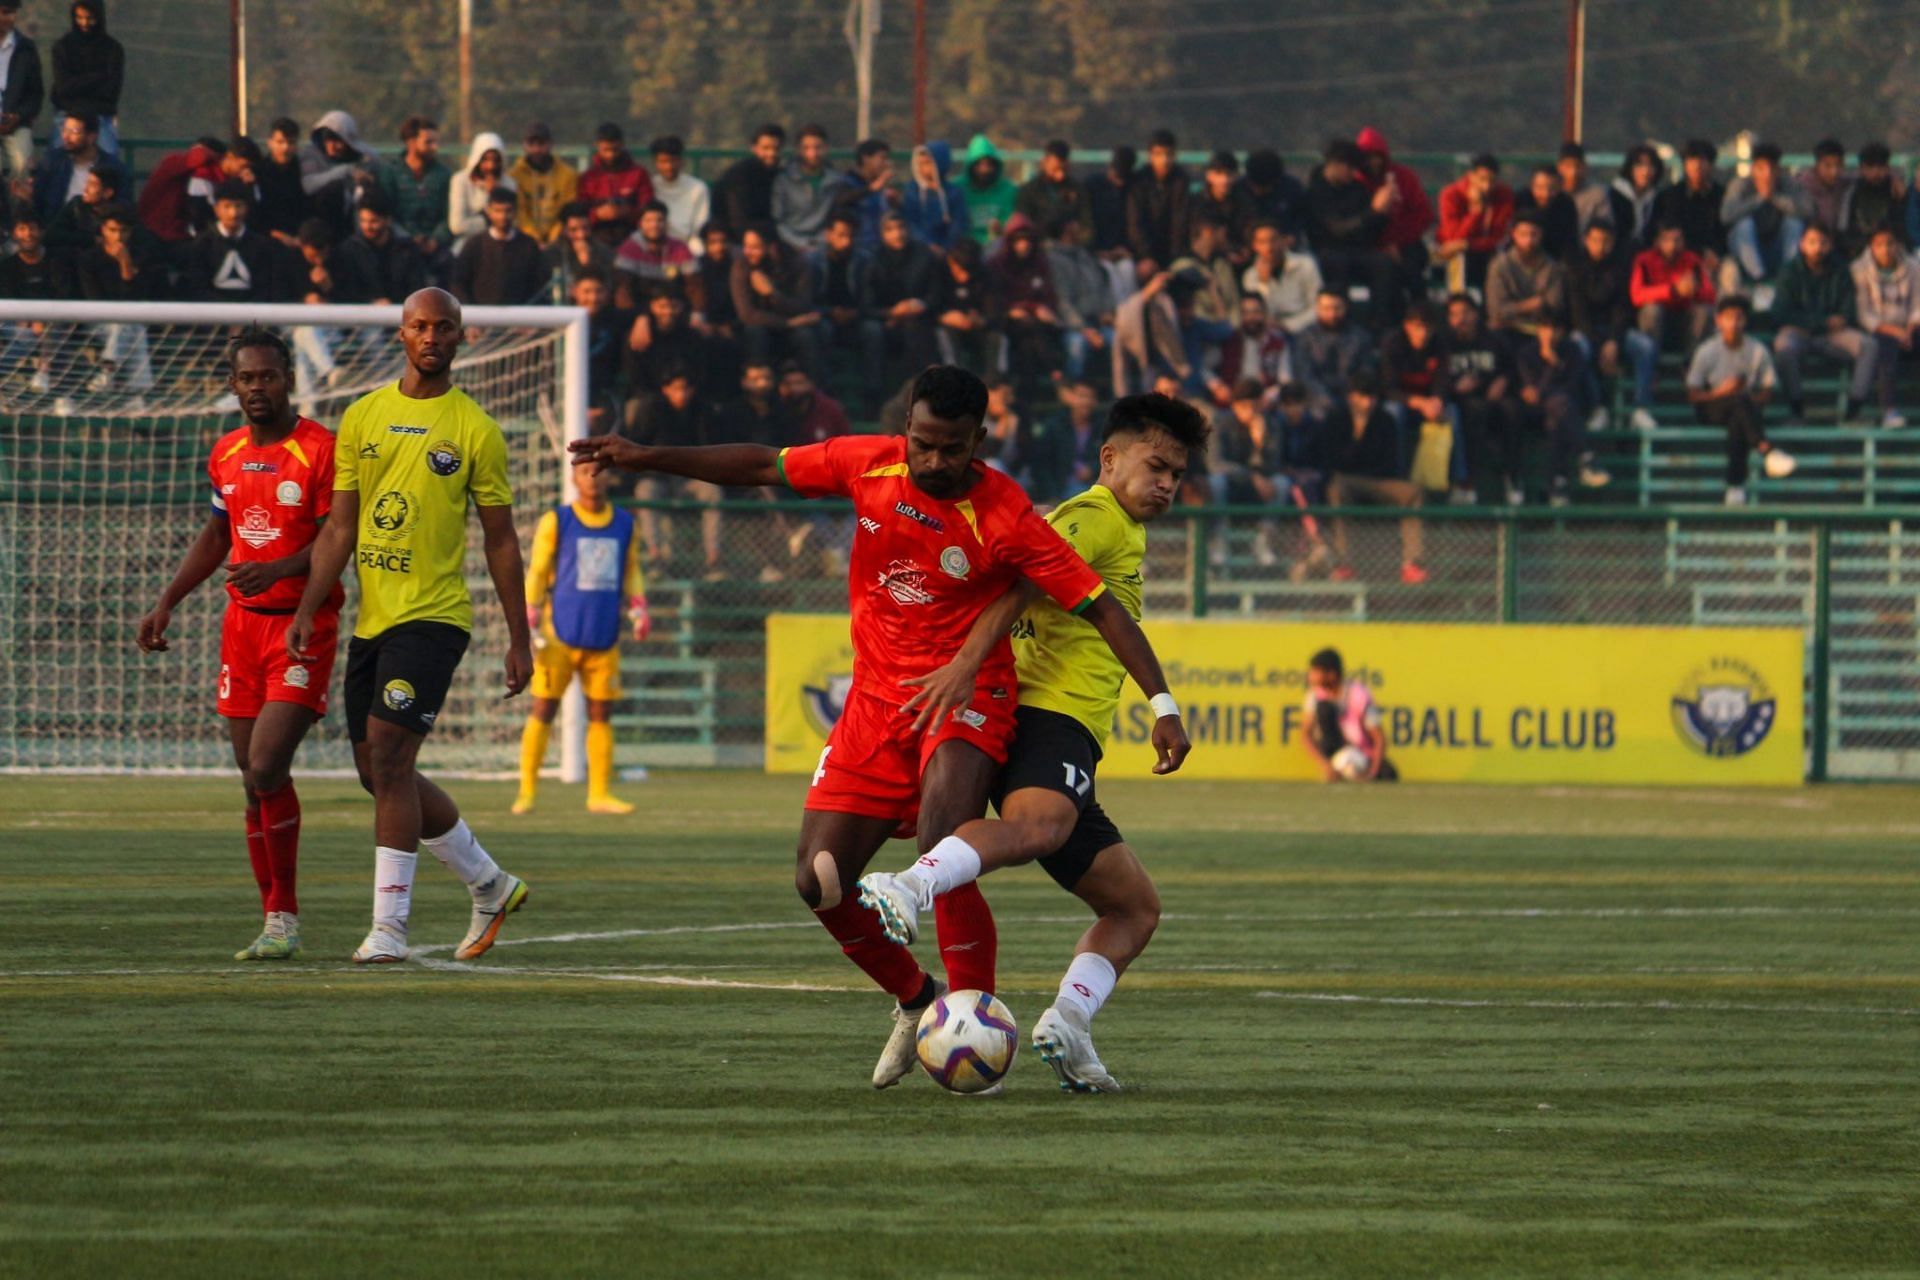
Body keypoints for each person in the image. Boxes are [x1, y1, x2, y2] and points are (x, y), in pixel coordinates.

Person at [570, 365, 1189, 1090]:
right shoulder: (868, 462)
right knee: (819, 880)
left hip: (968, 696)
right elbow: (762, 465)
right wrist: (648, 457)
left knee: (943, 834)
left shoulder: (1006, 514)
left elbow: (1098, 606)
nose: (932, 461)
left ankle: (971, 1027)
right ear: (906, 431)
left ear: (977, 442)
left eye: (949, 449)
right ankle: (916, 999)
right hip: (875, 702)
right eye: (921, 443)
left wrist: (1160, 702)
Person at [853, 392, 1205, 1092]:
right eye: (1156, 465)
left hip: (1068, 733)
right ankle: (910, 885)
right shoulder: (1093, 516)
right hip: (1048, 716)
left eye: (1178, 473)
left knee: (1135, 906)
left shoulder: (1119, 529)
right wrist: (1161, 704)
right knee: (1039, 826)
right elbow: (1024, 578)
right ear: (1110, 458)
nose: (1167, 483)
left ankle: (1069, 1023)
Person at [287, 288, 534, 965]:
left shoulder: (476, 429)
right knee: (376, 771)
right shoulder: (363, 416)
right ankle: (489, 882)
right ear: (401, 334)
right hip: (374, 621)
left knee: (394, 759)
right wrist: (309, 606)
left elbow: (502, 539)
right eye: (420, 326)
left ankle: (388, 930)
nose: (431, 336)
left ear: (461, 338)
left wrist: (520, 637)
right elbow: (341, 523)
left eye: (444, 327)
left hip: (434, 619)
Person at [136, 329, 340, 961]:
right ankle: (274, 919)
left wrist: (285, 577)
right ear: (233, 385)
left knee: (266, 767)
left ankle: (285, 915)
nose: (258, 387)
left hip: (302, 626)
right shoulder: (225, 454)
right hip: (242, 629)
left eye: (269, 376)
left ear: (289, 380)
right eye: (247, 378)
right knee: (251, 783)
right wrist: (168, 599)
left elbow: (339, 539)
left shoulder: (320, 451)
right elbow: (218, 533)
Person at [513, 457, 649, 816]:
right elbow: (540, 568)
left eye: (600, 471)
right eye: (586, 472)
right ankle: (526, 791)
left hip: (604, 631)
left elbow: (632, 570)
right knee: (543, 707)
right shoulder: (558, 520)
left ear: (610, 477)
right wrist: (530, 607)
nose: (593, 478)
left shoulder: (624, 523)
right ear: (574, 477)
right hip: (559, 632)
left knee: (601, 712)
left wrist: (639, 604)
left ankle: (599, 793)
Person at [1685, 295, 1796, 506]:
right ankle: (1767, 449)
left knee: (1739, 417)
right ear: (1718, 321)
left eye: (1739, 318)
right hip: (1712, 407)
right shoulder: (1707, 350)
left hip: (1744, 408)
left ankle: (1735, 486)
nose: (1733, 324)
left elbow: (1767, 391)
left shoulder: (1757, 350)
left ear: (1745, 321)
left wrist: (1746, 398)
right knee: (1737, 403)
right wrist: (1720, 392)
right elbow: (1693, 394)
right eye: (1728, 318)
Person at [1772, 223, 1879, 424]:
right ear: (1802, 244)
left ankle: (1853, 411)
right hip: (1802, 333)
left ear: (1830, 245)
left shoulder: (1840, 269)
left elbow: (1848, 312)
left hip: (1833, 336)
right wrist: (1821, 323)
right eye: (1812, 242)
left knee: (1869, 345)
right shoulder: (1789, 272)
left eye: (1823, 242)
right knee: (1783, 346)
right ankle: (1797, 410)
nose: (1817, 248)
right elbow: (1780, 314)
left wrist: (1832, 322)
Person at [1323, 373, 1425, 585]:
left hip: (1379, 482)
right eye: (1363, 396)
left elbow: (1389, 462)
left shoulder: (1385, 420)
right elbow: (1335, 460)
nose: (1368, 402)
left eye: (1372, 397)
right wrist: (1358, 432)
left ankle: (1412, 563)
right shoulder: (1336, 419)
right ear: (1352, 397)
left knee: (1413, 491)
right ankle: (1344, 563)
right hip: (1348, 482)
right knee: (1337, 487)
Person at [1566, 219, 1658, 432]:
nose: (1601, 246)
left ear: (1614, 242)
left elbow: (1623, 308)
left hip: (1618, 331)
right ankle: (1598, 408)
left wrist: (1614, 341)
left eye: (1606, 241)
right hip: (1586, 331)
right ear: (1586, 241)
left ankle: (1640, 408)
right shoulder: (1574, 269)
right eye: (1596, 240)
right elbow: (1578, 314)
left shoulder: (1622, 266)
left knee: (1646, 346)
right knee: (1577, 348)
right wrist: (1601, 346)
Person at [1515, 310, 1607, 505]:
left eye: (1554, 329)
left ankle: (1557, 483)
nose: (1550, 334)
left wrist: (1555, 363)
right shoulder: (1526, 354)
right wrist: (1553, 367)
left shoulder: (1573, 351)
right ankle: (1585, 457)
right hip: (1537, 412)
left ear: (1562, 331)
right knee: (1558, 405)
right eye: (1545, 328)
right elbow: (1533, 395)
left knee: (1557, 418)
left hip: (1567, 409)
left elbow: (1572, 386)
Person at [1443, 293, 1523, 502]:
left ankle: (1513, 477)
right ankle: (1468, 482)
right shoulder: (1444, 343)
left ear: (1476, 314)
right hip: (1462, 403)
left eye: (1466, 313)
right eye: (1455, 315)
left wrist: (1503, 380)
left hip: (1494, 398)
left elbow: (1513, 369)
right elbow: (1436, 379)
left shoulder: (1494, 339)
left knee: (1512, 409)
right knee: (1473, 410)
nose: (1462, 319)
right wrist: (1454, 387)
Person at [1305, 140, 1394, 315]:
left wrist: (1383, 211)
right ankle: (1342, 317)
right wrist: (1373, 212)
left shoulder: (1357, 189)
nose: (1354, 174)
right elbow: (1336, 229)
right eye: (1351, 168)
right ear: (1336, 165)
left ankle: (1380, 320)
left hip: (1356, 249)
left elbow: (1370, 228)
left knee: (1384, 264)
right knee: (1337, 264)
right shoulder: (1316, 191)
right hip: (1327, 249)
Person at [1354, 126, 1433, 317]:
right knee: (1384, 272)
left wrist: (1396, 242)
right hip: (1370, 247)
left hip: (1405, 243)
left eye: (1377, 156)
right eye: (1367, 157)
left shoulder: (1404, 177)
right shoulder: (1355, 182)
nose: (1373, 162)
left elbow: (1423, 214)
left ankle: (1422, 317)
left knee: (1412, 270)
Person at [732, 222, 822, 378]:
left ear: (771, 247)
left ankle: (814, 387)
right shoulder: (741, 266)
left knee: (806, 336)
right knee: (754, 332)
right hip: (767, 324)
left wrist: (772, 294)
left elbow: (803, 306)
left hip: (793, 326)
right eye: (745, 246)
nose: (747, 252)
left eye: (755, 247)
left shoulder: (797, 264)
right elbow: (747, 314)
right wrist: (787, 323)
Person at [1852, 225, 1920, 430]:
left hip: (1909, 326)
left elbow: (1918, 304)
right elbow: (1864, 314)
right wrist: (1895, 332)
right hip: (1881, 329)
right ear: (1872, 247)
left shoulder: (1914, 267)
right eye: (1879, 245)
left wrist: (1909, 329)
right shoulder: (1858, 270)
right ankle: (1889, 411)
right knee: (1884, 354)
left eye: (1890, 243)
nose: (1885, 249)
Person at [1720, 143, 1808, 294]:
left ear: (1778, 169)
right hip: (1746, 252)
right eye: (1761, 168)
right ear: (1753, 169)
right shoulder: (1740, 184)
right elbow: (1726, 216)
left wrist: (1775, 198)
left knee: (1794, 224)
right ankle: (1758, 277)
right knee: (1744, 225)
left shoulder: (1788, 183)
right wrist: (1758, 199)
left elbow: (1807, 211)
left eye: (1772, 168)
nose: (1767, 174)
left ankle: (1788, 276)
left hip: (1777, 249)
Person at [183, 181, 288, 303]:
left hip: (252, 317)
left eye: (238, 206)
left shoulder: (261, 245)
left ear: (247, 208)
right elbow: (198, 288)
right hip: (213, 316)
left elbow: (265, 288)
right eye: (227, 206)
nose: (233, 214)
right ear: (216, 209)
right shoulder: (202, 244)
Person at [1301, 648, 1395, 783]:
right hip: (1334, 750)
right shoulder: (1315, 696)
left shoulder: (1358, 694)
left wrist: (1373, 772)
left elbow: (1379, 737)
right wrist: (1325, 765)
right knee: (1324, 709)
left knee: (1388, 774)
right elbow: (1305, 735)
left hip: (1363, 753)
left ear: (1332, 674)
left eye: (1316, 672)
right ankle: (1337, 769)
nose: (1311, 676)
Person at [378, 115, 453, 278]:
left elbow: (448, 215)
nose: (435, 147)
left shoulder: (443, 174)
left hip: (436, 246)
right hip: (400, 243)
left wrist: (435, 240)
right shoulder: (390, 172)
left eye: (436, 142)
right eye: (428, 142)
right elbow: (387, 213)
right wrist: (410, 238)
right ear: (411, 142)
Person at [450, 185, 546, 306]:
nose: (503, 217)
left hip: (521, 319)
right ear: (488, 211)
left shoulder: (528, 245)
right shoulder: (474, 244)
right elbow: (458, 284)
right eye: (497, 211)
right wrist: (471, 320)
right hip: (479, 318)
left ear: (515, 211)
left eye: (508, 210)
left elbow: (538, 287)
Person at [1631, 220, 1716, 351]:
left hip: (1684, 319)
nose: (1672, 245)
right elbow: (1636, 295)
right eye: (1666, 240)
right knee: (1651, 311)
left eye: (1677, 240)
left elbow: (1710, 295)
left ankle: (1692, 363)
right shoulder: (1644, 261)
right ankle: (1652, 361)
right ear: (1657, 241)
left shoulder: (1692, 260)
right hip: (1658, 320)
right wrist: (1672, 290)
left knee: (1704, 311)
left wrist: (1694, 290)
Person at [48, 0, 119, 156]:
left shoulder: (113, 49)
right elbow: (63, 88)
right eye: (79, 17)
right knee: (55, 163)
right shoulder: (62, 47)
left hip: (100, 116)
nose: (85, 23)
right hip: (67, 115)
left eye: (90, 18)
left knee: (110, 163)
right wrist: (97, 78)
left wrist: (77, 85)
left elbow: (111, 91)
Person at [1435, 154, 1513, 294]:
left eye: (1492, 181)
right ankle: (1458, 306)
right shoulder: (1451, 195)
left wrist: (1468, 244)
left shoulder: (1504, 195)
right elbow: (1453, 238)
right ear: (1471, 176)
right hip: (1455, 254)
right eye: (1482, 179)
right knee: (1458, 259)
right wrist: (1475, 212)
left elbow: (1499, 237)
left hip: (1486, 252)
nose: (1487, 186)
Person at [331, 191, 426, 305]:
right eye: (363, 221)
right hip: (361, 317)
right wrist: (371, 302)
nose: (367, 227)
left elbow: (417, 289)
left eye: (373, 221)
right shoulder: (349, 250)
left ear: (388, 220)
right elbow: (346, 292)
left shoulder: (407, 249)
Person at [1485, 212, 1567, 339]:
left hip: (1542, 331)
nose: (1528, 240)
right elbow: (1496, 311)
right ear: (1514, 234)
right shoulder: (1500, 265)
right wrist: (1528, 305)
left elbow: (1555, 306)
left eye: (1534, 234)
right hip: (1508, 329)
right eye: (1523, 234)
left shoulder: (1552, 267)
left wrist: (1514, 309)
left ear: (1541, 235)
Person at [1294, 288, 1374, 413]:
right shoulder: (1305, 337)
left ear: (1346, 308)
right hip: (1317, 400)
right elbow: (1305, 375)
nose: (1332, 314)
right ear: (1317, 309)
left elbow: (1366, 372)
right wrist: (1325, 399)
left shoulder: (1360, 337)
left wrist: (1354, 395)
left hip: (1353, 398)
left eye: (1337, 308)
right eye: (1326, 308)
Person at [1653, 139, 1726, 274]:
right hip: (1681, 256)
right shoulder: (1670, 196)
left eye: (1703, 160)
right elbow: (1667, 231)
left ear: (1711, 164)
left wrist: (1716, 253)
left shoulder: (1722, 195)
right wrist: (1700, 252)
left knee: (1730, 273)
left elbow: (1725, 230)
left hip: (1718, 257)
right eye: (1692, 160)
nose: (1697, 166)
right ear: (1685, 164)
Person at [1126, 129, 1189, 278]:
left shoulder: (1181, 179)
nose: (1165, 159)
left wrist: (1173, 257)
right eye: (1159, 154)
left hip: (1173, 254)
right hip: (1144, 254)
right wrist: (1146, 255)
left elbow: (1180, 221)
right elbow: (1135, 224)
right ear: (1150, 156)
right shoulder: (1138, 181)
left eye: (1169, 154)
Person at [1241, 219, 1322, 335]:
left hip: (1304, 329)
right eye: (1262, 242)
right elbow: (1257, 313)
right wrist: (1263, 283)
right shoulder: (1250, 276)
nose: (1269, 247)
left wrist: (1288, 326)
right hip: (1269, 331)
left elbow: (1317, 307)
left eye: (1273, 240)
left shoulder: (1305, 265)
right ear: (1255, 246)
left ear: (1283, 240)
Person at [578, 122, 650, 246]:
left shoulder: (638, 174)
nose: (610, 155)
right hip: (596, 237)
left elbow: (647, 208)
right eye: (606, 150)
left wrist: (627, 212)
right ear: (597, 146)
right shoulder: (588, 178)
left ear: (622, 145)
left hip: (632, 237)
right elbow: (579, 212)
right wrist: (597, 214)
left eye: (615, 150)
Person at [773, 123, 839, 252]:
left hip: (825, 246)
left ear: (826, 148)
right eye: (806, 148)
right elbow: (778, 222)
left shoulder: (836, 181)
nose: (813, 154)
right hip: (790, 245)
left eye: (818, 148)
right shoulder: (783, 180)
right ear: (798, 150)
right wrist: (800, 244)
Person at [510, 121, 577, 246]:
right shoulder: (514, 176)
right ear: (524, 145)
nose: (536, 149)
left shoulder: (567, 175)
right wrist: (534, 239)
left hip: (559, 239)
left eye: (541, 144)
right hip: (523, 240)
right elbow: (520, 213)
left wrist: (553, 238)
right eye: (531, 144)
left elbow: (566, 211)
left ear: (551, 144)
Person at [447, 130, 513, 251]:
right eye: (485, 160)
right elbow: (457, 225)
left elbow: (511, 223)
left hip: (502, 245)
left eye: (495, 160)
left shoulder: (509, 184)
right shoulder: (460, 181)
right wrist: (489, 219)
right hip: (467, 244)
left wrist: (494, 193)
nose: (491, 166)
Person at [715, 122, 784, 236]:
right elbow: (738, 221)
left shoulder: (781, 175)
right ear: (754, 148)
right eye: (765, 148)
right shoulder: (738, 176)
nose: (771, 153)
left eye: (776, 148)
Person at [1015, 139, 1091, 242]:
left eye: (1064, 169)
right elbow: (1023, 225)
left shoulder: (1077, 189)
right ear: (1044, 162)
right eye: (1056, 169)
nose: (1061, 175)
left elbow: (1087, 226)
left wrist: (1077, 236)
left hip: (1071, 248)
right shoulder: (1029, 191)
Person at [646, 134, 710, 254]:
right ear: (655, 162)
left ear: (681, 160)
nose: (669, 166)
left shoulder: (698, 188)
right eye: (663, 161)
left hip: (688, 246)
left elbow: (700, 228)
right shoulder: (650, 186)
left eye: (673, 160)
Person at [1838, 143, 1903, 262]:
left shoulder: (1896, 191)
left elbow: (1901, 226)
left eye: (1880, 167)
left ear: (1887, 168)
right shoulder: (1853, 193)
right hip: (1859, 253)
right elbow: (1845, 229)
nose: (1876, 172)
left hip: (1892, 251)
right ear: (1862, 169)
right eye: (1870, 167)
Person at [900, 140, 967, 250]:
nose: (923, 168)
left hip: (948, 249)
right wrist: (928, 245)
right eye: (920, 164)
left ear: (939, 163)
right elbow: (911, 223)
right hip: (919, 248)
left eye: (927, 163)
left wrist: (946, 247)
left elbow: (958, 224)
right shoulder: (912, 191)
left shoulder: (953, 192)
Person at [255, 118, 306, 246]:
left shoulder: (303, 171)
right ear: (270, 143)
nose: (285, 148)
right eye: (280, 142)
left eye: (291, 142)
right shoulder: (258, 172)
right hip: (267, 238)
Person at [961, 132, 1017, 245]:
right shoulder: (958, 189)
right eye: (979, 165)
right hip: (966, 246)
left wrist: (1000, 229)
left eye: (989, 165)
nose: (984, 170)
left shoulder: (1008, 190)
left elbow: (1011, 221)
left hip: (998, 245)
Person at [1513, 163, 1577, 260]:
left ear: (1560, 187)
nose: (1546, 194)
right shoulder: (1521, 201)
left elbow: (1570, 241)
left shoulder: (1566, 204)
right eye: (1540, 187)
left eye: (1552, 188)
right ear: (1531, 186)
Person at [1609, 144, 1664, 249]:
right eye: (1640, 165)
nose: (1646, 171)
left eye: (1651, 166)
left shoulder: (1658, 198)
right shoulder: (1614, 195)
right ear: (1630, 168)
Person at [1798, 138, 1852, 235]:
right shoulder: (1802, 186)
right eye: (1828, 166)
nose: (1834, 172)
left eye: (1838, 165)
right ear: (1817, 165)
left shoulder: (1846, 184)